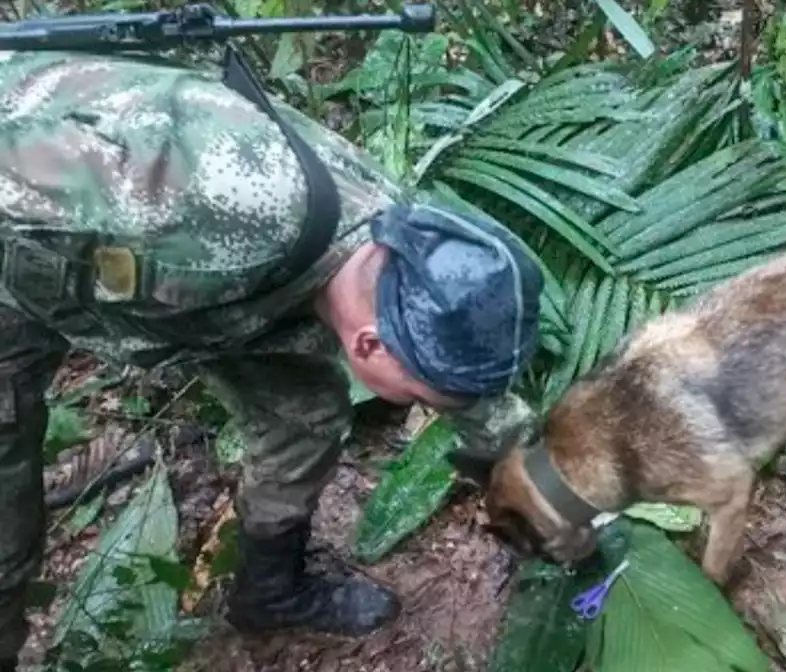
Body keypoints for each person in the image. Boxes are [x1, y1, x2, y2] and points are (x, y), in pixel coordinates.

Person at [0, 46, 542, 670]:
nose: (431, 407)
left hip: (216, 300)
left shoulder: (406, 251)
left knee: (303, 415)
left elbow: (472, 389)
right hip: (23, 257)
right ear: (368, 344)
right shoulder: (186, 203)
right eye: (422, 396)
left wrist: (547, 488)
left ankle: (269, 592)